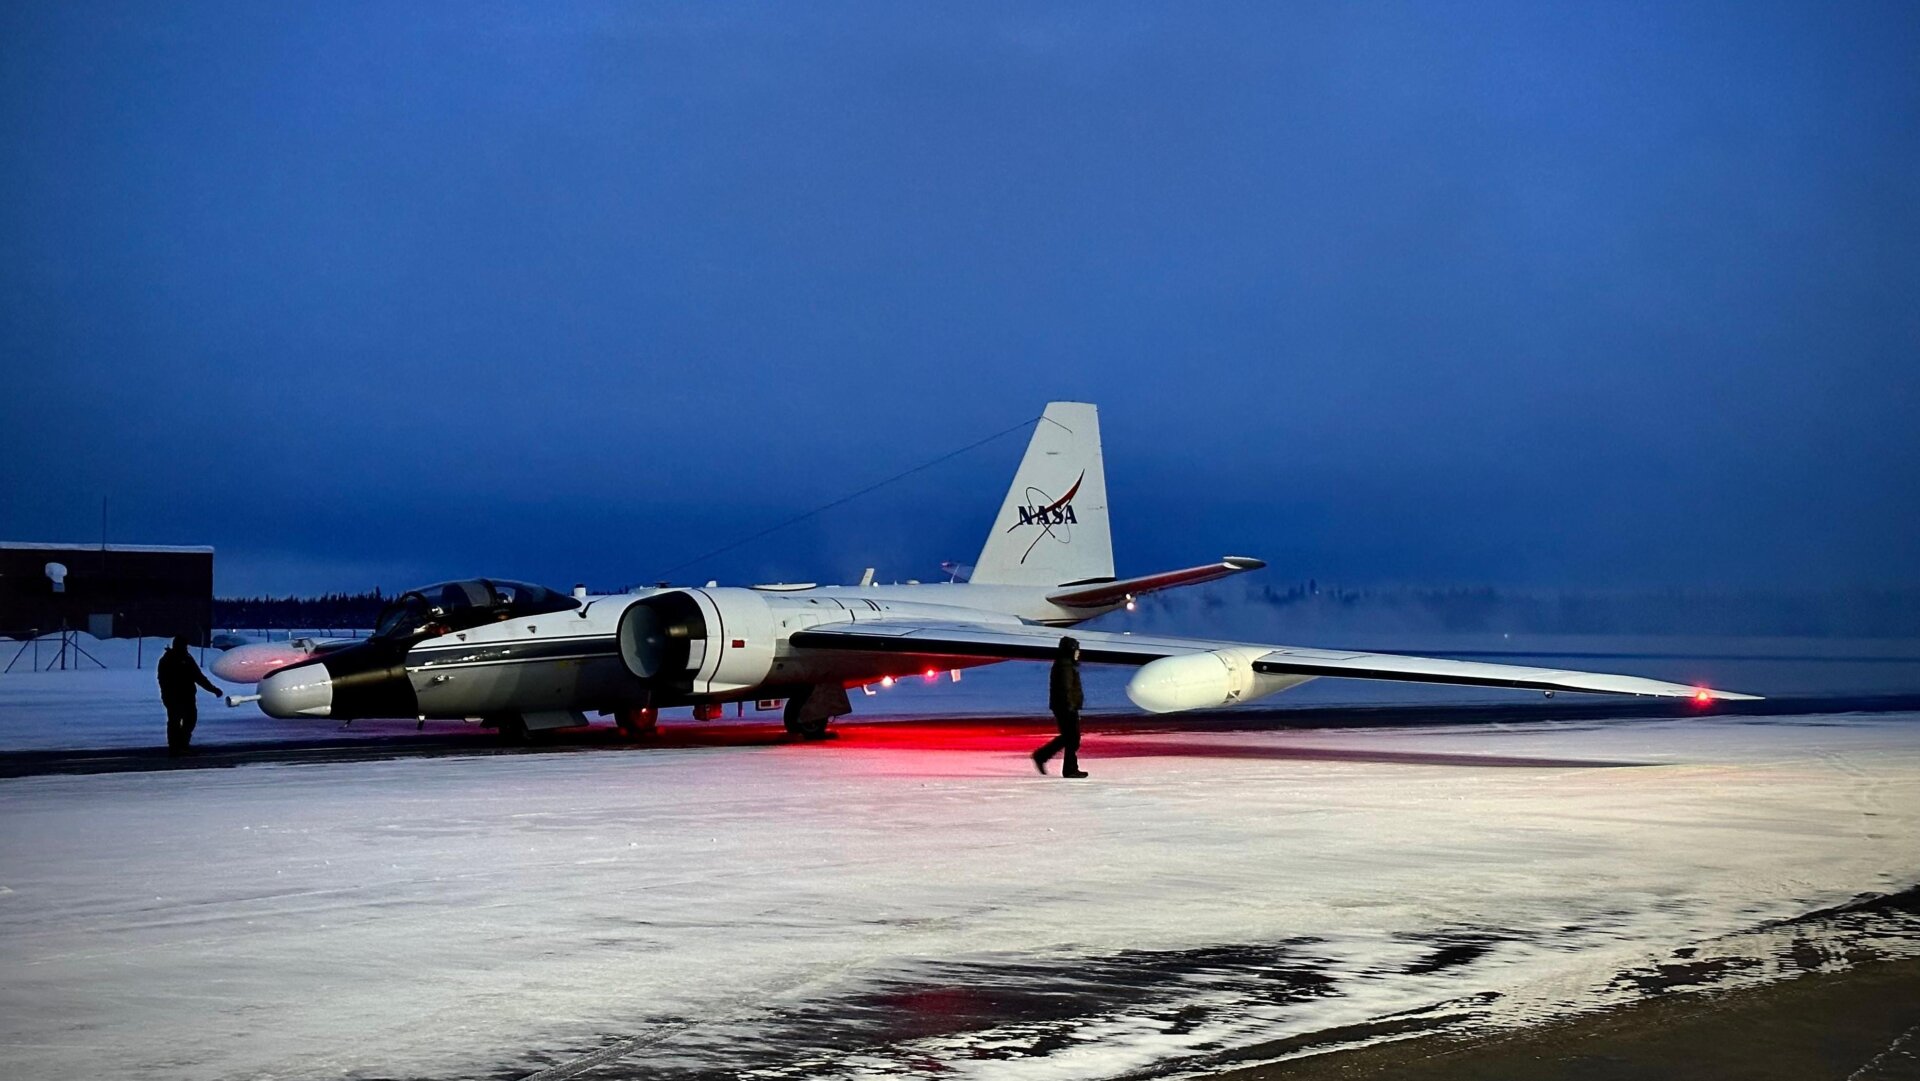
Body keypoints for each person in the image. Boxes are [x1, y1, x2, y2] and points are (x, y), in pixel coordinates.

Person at [1032, 636, 1087, 778]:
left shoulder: (1066, 664)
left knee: (1069, 737)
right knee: (1072, 738)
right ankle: (1068, 769)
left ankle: (1043, 756)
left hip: (1065, 705)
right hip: (1065, 706)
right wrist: (1070, 705)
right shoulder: (1065, 665)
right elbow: (1065, 688)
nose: (1078, 653)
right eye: (1076, 649)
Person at [158, 635, 222, 754]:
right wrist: (167, 695)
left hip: (187, 696)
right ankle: (175, 746)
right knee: (175, 721)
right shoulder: (168, 660)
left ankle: (181, 743)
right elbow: (163, 680)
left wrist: (213, 689)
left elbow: (198, 676)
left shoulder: (187, 658)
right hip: (173, 696)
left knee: (190, 720)